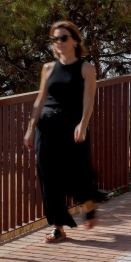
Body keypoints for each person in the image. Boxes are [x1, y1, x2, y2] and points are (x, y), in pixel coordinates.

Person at [23, 21, 105, 243]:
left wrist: (83, 123)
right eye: (55, 39)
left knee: (74, 172)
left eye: (64, 38)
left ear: (75, 40)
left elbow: (89, 99)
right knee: (48, 177)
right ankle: (58, 226)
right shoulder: (48, 68)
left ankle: (88, 200)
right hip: (47, 127)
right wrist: (31, 128)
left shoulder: (86, 68)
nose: (59, 42)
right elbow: (40, 99)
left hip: (71, 126)